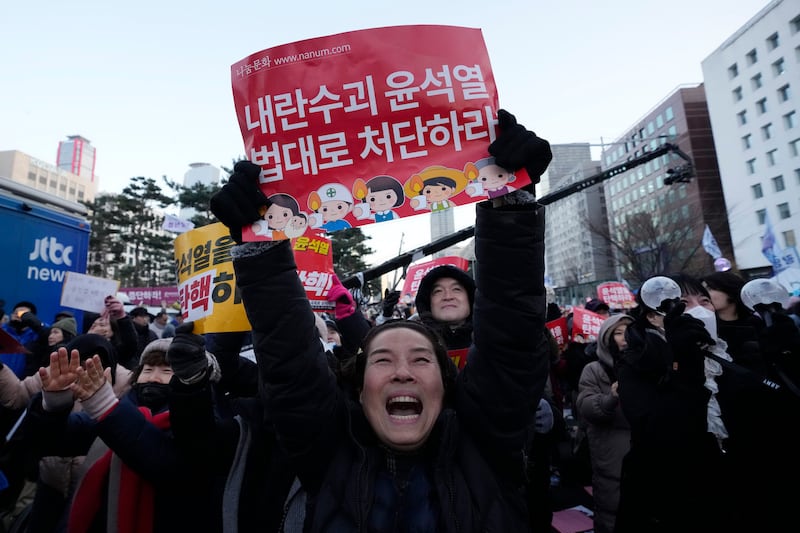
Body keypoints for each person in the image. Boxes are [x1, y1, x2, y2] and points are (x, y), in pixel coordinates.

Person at [210, 108, 553, 531]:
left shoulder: (485, 446)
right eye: (383, 360)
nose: (403, 373)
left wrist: (511, 203)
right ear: (358, 385)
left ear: (447, 386)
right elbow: (288, 355)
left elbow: (510, 338)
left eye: (422, 360)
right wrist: (260, 240)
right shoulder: (327, 451)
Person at [24, 337, 216, 532]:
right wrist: (54, 405)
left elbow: (171, 468)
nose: (153, 378)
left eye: (167, 371)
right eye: (147, 370)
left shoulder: (205, 427)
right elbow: (50, 442)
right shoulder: (117, 412)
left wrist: (105, 406)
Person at [575, 313, 633, 533]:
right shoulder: (594, 370)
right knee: (612, 510)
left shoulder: (649, 366)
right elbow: (587, 407)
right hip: (610, 452)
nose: (625, 338)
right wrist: (611, 398)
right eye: (618, 333)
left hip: (644, 447)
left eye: (629, 332)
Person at [1, 301, 48, 378]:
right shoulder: (3, 330)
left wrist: (37, 324)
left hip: (22, 384)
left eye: (22, 312)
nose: (17, 314)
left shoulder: (36, 335)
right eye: (15, 312)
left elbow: (48, 333)